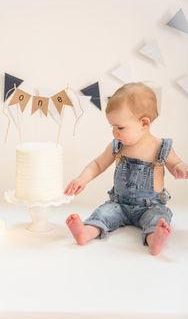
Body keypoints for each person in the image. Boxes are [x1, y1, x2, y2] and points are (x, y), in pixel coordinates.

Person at [64, 82, 188, 255]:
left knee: (158, 218)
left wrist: (181, 167)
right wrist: (82, 179)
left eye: (120, 127)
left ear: (144, 123)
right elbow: (98, 164)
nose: (115, 132)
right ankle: (86, 232)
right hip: (119, 204)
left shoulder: (160, 147)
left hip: (150, 205)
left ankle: (155, 239)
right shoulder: (117, 146)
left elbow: (175, 163)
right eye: (112, 127)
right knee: (103, 213)